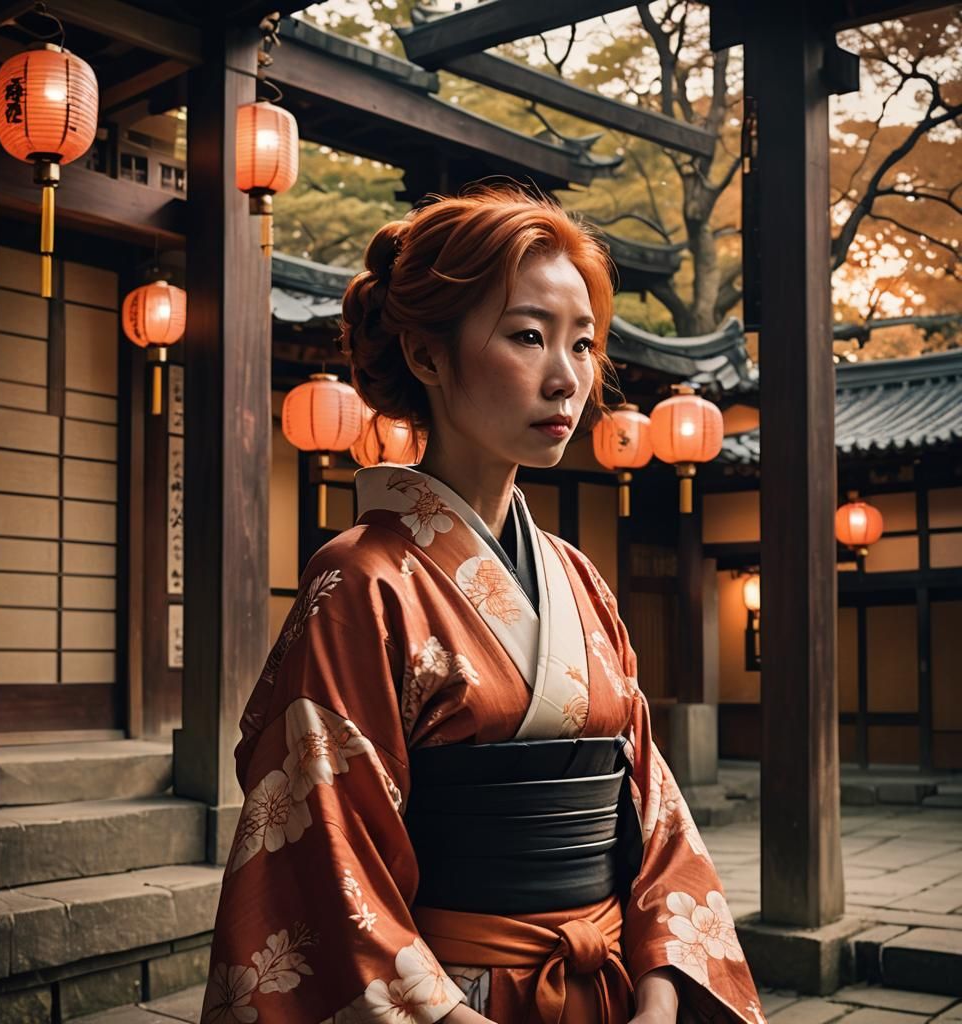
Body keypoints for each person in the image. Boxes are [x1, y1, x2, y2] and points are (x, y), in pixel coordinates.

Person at [201, 184, 766, 1024]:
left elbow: (653, 813)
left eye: (584, 344)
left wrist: (659, 986)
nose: (567, 377)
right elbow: (326, 862)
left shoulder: (578, 578)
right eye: (529, 336)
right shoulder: (360, 583)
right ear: (428, 356)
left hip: (611, 991)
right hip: (458, 1001)